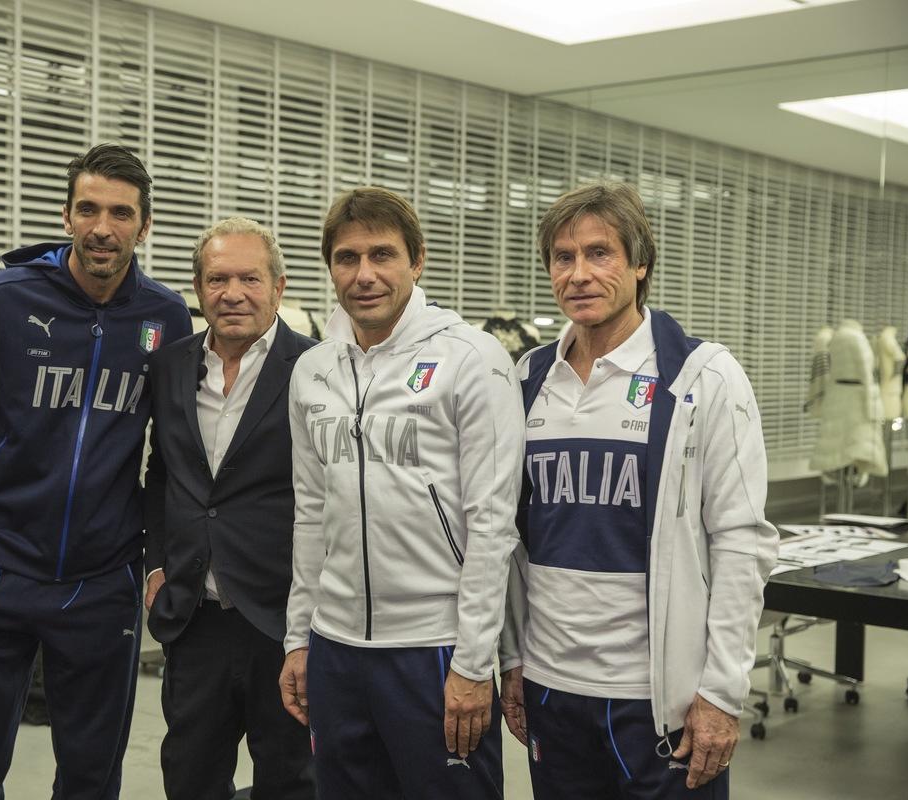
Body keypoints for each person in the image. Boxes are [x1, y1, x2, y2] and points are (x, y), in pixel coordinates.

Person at [0, 142, 190, 799]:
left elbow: (172, 451)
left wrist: (148, 560)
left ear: (144, 226)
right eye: (89, 209)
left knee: (91, 777)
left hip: (101, 580)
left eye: (121, 213)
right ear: (67, 216)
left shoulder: (164, 316)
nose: (103, 227)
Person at [498, 181, 778, 799]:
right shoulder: (527, 379)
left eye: (599, 253)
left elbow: (742, 542)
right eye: (563, 257)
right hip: (551, 686)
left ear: (640, 263)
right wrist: (513, 658)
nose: (579, 274)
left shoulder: (703, 377)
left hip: (657, 700)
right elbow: (510, 538)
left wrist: (721, 692)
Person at [279, 187, 525, 799]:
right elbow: (310, 514)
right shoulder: (312, 371)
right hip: (335, 647)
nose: (364, 274)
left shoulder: (472, 358)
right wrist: (299, 638)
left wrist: (473, 662)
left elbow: (493, 523)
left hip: (433, 649)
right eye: (347, 258)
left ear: (417, 260)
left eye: (382, 255)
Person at [142, 217, 317, 800]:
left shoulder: (317, 369)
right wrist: (156, 563)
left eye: (250, 278)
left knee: (291, 780)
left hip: (283, 620)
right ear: (198, 287)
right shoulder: (170, 367)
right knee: (189, 776)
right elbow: (161, 473)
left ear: (278, 287)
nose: (232, 293)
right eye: (217, 279)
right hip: (196, 618)